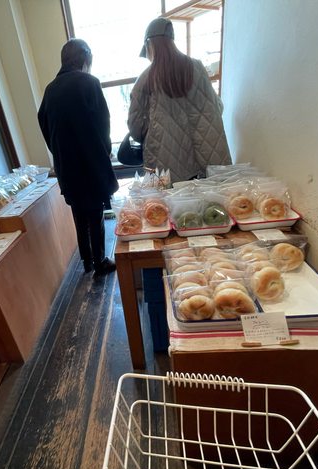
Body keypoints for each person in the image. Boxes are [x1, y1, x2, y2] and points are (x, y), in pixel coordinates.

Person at [38, 39, 118, 276]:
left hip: (66, 166)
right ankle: (100, 261)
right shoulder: (89, 83)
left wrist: (58, 151)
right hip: (90, 163)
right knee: (95, 213)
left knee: (79, 214)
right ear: (85, 59)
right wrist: (105, 151)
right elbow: (103, 123)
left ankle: (87, 260)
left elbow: (44, 124)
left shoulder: (50, 90)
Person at [128, 17, 232, 182]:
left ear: (149, 44)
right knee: (207, 198)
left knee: (169, 199)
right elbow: (218, 107)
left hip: (165, 163)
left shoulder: (146, 78)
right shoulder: (197, 67)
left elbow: (136, 127)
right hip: (205, 157)